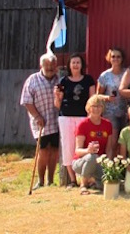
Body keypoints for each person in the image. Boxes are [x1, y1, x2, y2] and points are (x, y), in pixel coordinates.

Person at [54, 53, 96, 187]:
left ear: (82, 65)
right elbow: (57, 104)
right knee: (68, 146)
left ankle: (85, 177)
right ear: (69, 65)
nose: (76, 65)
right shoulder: (63, 81)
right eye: (73, 63)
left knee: (84, 146)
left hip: (83, 116)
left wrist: (91, 117)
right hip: (66, 116)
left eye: (78, 62)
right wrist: (56, 96)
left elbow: (92, 99)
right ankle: (73, 180)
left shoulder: (88, 80)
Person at [20, 53, 60, 189]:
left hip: (56, 121)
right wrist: (37, 116)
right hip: (40, 122)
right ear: (41, 66)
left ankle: (51, 180)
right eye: (47, 65)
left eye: (52, 65)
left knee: (54, 150)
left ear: (56, 66)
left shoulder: (59, 79)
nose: (49, 68)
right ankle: (41, 180)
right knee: (43, 151)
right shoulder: (32, 80)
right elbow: (26, 101)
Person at [72, 95, 115, 195]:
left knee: (106, 185)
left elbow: (109, 149)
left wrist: (109, 166)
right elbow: (77, 151)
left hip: (100, 161)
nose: (96, 109)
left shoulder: (107, 124)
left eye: (99, 106)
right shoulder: (83, 125)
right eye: (94, 106)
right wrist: (88, 150)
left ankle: (94, 181)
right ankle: (83, 185)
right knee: (92, 157)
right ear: (88, 108)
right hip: (81, 161)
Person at [96, 47, 127, 144]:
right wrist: (107, 98)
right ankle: (110, 159)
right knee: (112, 143)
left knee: (124, 143)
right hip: (110, 113)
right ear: (109, 58)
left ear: (122, 58)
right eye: (113, 56)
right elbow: (97, 96)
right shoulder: (104, 76)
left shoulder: (127, 73)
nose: (116, 59)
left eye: (118, 57)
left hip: (126, 112)